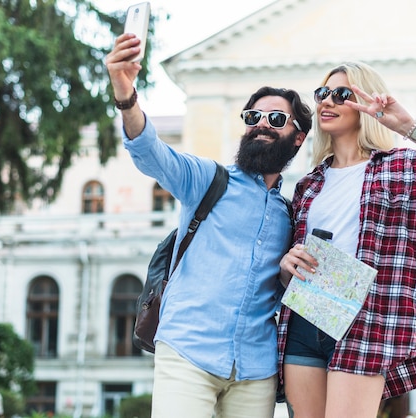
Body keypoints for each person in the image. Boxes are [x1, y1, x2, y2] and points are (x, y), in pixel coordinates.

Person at [105, 33, 313, 418]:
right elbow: (151, 151)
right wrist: (126, 94)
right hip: (187, 352)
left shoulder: (292, 213)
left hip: (256, 369)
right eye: (253, 118)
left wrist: (288, 275)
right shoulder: (207, 179)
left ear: (297, 138)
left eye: (276, 119)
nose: (261, 125)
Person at [276, 62, 416, 418]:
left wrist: (409, 127)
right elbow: (292, 268)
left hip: (366, 322)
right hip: (305, 316)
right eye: (322, 94)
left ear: (364, 103)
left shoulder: (405, 168)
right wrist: (288, 265)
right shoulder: (309, 184)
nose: (327, 102)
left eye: (342, 94)